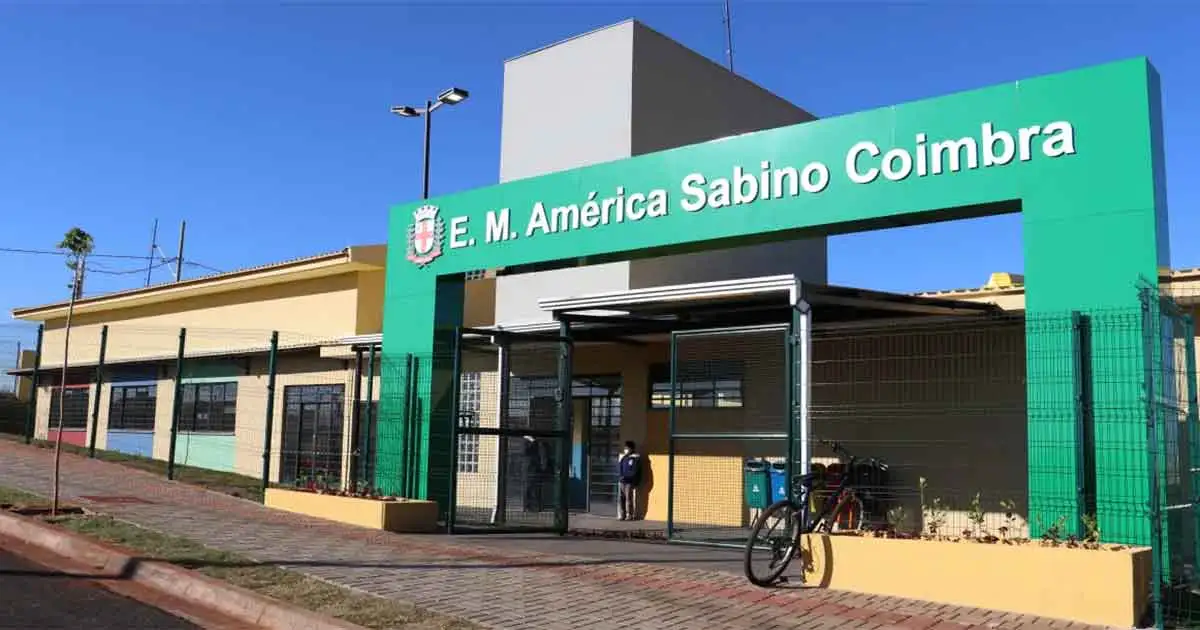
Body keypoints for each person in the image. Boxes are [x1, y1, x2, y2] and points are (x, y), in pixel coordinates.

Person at [617, 440, 643, 521]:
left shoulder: (635, 459)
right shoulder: (624, 458)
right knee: (621, 499)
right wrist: (621, 476)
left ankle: (629, 515)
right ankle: (622, 515)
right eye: (625, 448)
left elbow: (635, 471)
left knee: (628, 499)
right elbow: (619, 468)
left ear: (631, 448)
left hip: (629, 482)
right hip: (622, 481)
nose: (625, 449)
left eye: (627, 448)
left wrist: (627, 477)